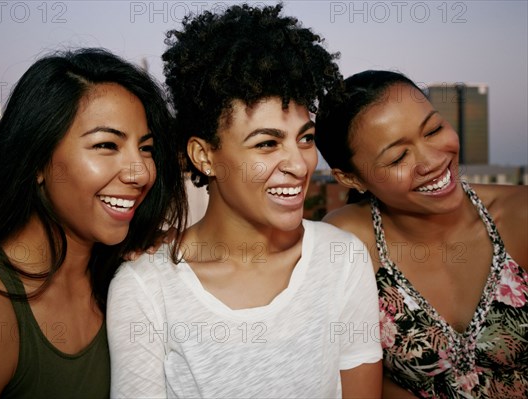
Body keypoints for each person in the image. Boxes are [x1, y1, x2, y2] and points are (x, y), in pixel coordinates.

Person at [107, 4, 382, 398]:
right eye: (267, 143)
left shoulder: (340, 260)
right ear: (204, 156)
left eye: (304, 138)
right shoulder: (146, 289)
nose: (299, 164)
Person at [0, 48, 186, 398]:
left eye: (146, 148)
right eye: (107, 145)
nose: (140, 172)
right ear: (36, 160)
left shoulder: (123, 278)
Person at [316, 70, 528, 398]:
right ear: (350, 179)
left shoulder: (521, 216)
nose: (432, 160)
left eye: (433, 129)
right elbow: (343, 373)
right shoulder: (346, 241)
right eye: (399, 157)